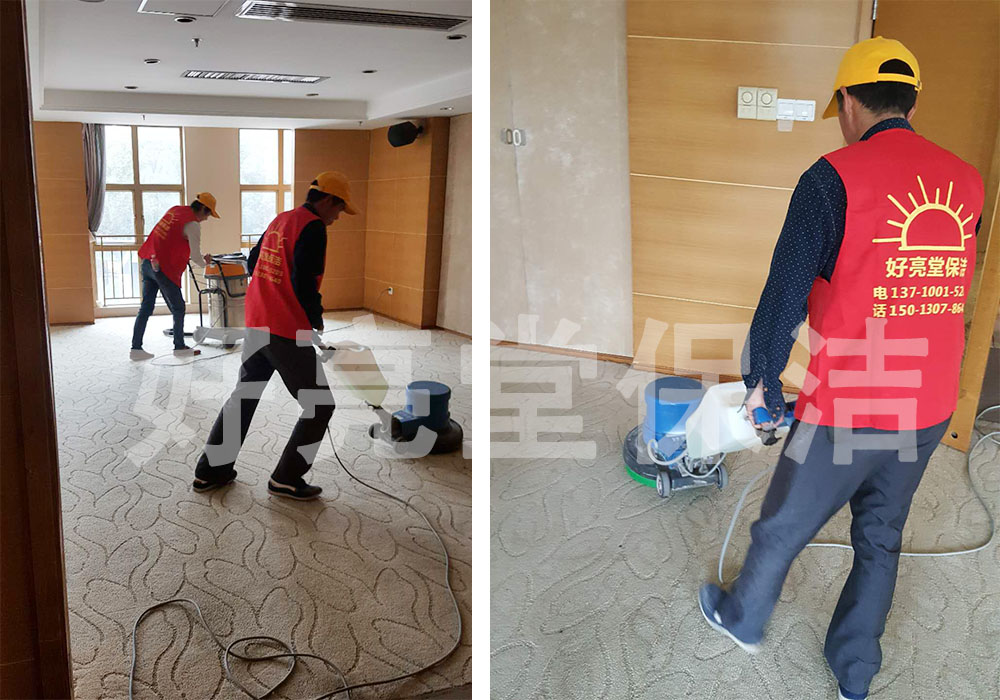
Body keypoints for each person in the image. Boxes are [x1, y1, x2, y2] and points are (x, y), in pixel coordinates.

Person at [697, 38, 984, 700]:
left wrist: (760, 385)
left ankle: (743, 617)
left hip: (852, 402)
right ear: (911, 104)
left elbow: (784, 296)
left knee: (783, 523)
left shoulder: (831, 178)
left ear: (848, 102)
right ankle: (855, 671)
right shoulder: (966, 181)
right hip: (931, 397)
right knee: (881, 534)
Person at [192, 171, 358, 501]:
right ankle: (287, 478)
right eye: (339, 209)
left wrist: (269, 292)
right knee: (320, 405)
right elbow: (305, 280)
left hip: (257, 321)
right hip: (284, 329)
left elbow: (254, 259)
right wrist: (315, 320)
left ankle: (211, 471)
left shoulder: (282, 219)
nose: (338, 217)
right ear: (328, 200)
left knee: (245, 394)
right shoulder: (313, 227)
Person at [130, 193, 218, 359]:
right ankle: (179, 347)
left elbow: (170, 239)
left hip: (148, 261)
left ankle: (136, 349)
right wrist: (205, 262)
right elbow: (196, 256)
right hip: (163, 268)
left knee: (146, 307)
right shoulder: (193, 225)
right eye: (208, 214)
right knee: (178, 307)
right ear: (203, 209)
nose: (207, 219)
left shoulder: (175, 210)